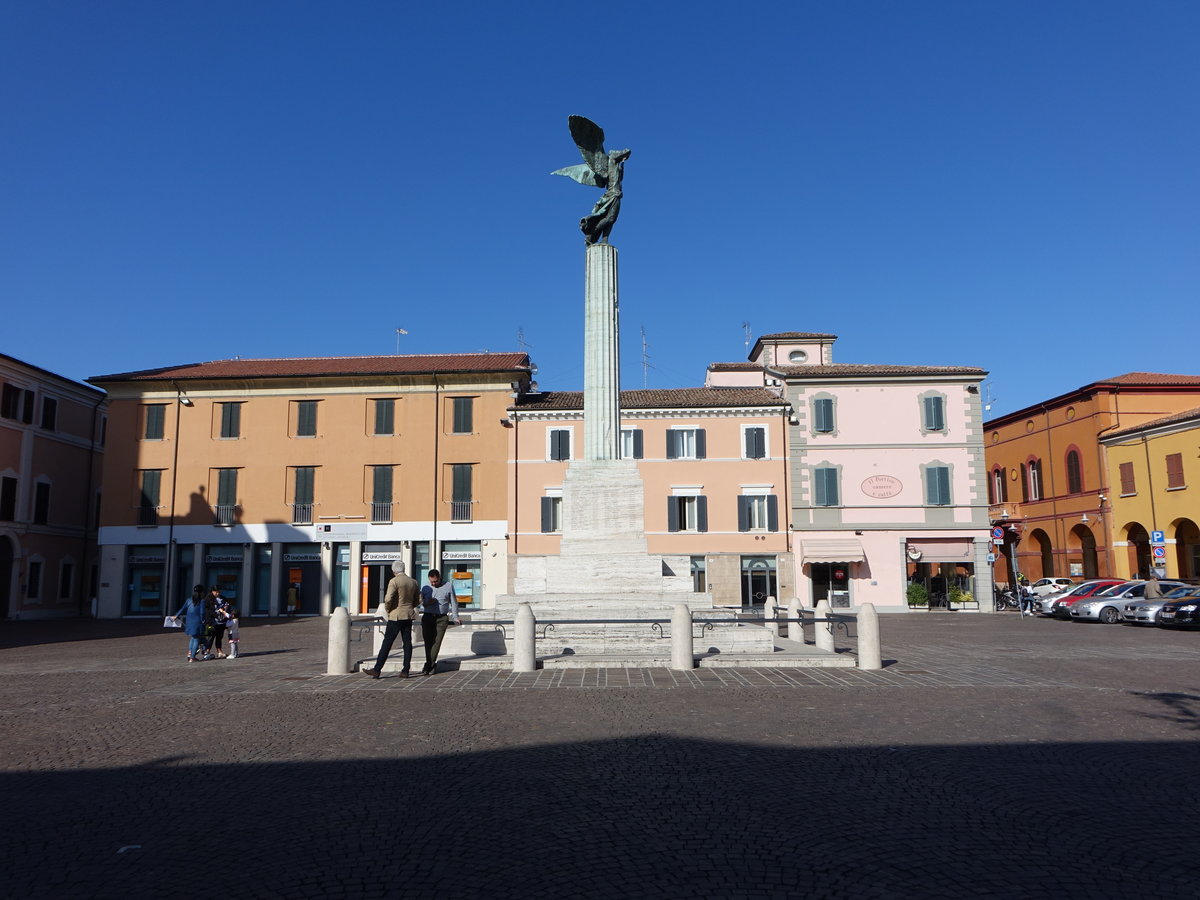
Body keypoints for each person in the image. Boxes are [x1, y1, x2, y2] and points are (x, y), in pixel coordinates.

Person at [363, 561, 421, 679]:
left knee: (387, 643)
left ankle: (377, 669)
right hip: (408, 615)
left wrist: (388, 609)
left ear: (394, 570)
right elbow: (418, 599)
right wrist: (410, 606)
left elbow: (388, 598)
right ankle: (405, 670)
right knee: (407, 643)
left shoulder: (394, 581)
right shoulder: (413, 582)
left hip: (396, 615)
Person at [419, 569, 459, 676]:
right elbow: (422, 603)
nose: (433, 584)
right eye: (431, 582)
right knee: (428, 642)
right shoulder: (425, 588)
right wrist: (427, 602)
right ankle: (430, 665)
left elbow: (453, 602)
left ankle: (429, 665)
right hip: (428, 617)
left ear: (439, 578)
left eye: (435, 581)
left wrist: (455, 617)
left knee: (437, 642)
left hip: (441, 618)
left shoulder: (448, 586)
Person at [174, 585, 207, 662]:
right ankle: (192, 657)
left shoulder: (189, 600)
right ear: (201, 592)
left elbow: (183, 608)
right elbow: (202, 613)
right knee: (196, 639)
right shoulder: (202, 601)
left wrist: (176, 615)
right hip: (197, 622)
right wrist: (203, 621)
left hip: (189, 621)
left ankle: (189, 654)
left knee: (193, 637)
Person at [205, 586, 231, 658]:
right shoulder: (208, 599)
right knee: (211, 637)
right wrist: (215, 614)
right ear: (212, 591)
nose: (218, 593)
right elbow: (207, 611)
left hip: (221, 621)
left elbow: (228, 606)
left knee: (219, 637)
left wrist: (226, 608)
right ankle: (207, 651)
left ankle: (219, 651)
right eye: (216, 591)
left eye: (219, 591)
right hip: (212, 622)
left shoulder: (223, 598)